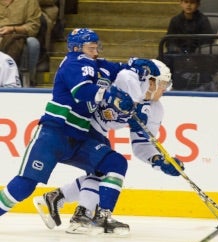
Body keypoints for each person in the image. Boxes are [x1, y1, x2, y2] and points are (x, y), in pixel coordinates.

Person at [0, 28, 138, 227]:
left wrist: (137, 65)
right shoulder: (74, 62)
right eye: (91, 48)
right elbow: (82, 92)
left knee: (114, 164)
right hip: (54, 133)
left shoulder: (97, 64)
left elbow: (119, 69)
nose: (96, 52)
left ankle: (102, 217)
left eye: (96, 47)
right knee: (25, 184)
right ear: (76, 48)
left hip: (80, 138)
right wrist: (109, 96)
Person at [34, 59, 185, 235]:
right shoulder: (127, 79)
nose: (164, 90)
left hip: (98, 133)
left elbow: (141, 145)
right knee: (112, 166)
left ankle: (62, 200)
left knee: (104, 171)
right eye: (162, 84)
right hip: (80, 126)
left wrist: (159, 161)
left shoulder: (155, 109)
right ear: (150, 81)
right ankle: (86, 215)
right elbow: (115, 74)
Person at [0, 0, 42, 83]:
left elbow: (33, 26)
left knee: (33, 43)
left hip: (19, 34)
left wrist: (12, 29)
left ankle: (25, 79)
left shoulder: (29, 1)